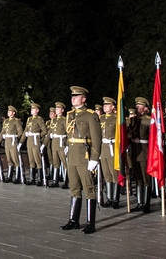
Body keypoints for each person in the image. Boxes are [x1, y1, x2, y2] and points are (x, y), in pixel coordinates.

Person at [61, 86, 101, 234]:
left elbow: (97, 139)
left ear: (84, 99)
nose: (73, 98)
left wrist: (94, 158)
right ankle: (73, 220)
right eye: (72, 96)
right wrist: (66, 145)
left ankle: (91, 223)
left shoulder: (91, 116)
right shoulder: (70, 115)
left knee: (89, 189)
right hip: (72, 156)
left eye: (77, 96)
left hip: (85, 156)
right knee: (74, 188)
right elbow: (68, 133)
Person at [130, 97, 152, 213]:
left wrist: (141, 141)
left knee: (145, 179)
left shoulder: (149, 120)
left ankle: (146, 204)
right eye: (137, 106)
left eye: (140, 106)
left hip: (145, 152)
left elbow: (153, 139)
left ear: (146, 108)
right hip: (135, 153)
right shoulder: (133, 121)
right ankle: (139, 202)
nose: (138, 108)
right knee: (138, 179)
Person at [19, 103, 47, 186]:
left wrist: (38, 136)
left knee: (37, 160)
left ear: (37, 110)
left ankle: (39, 179)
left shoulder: (39, 119)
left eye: (33, 109)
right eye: (31, 109)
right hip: (29, 142)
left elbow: (44, 131)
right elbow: (25, 131)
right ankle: (32, 179)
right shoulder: (29, 119)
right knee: (31, 160)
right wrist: (21, 142)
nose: (31, 110)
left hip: (35, 141)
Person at [99, 97, 120, 208]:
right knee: (106, 175)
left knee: (114, 175)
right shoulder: (100, 118)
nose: (105, 106)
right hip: (103, 149)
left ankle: (116, 199)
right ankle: (109, 198)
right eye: (104, 105)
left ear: (113, 107)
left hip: (113, 149)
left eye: (107, 105)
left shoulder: (116, 118)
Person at [0, 106, 23, 184]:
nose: (8, 112)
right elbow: (2, 132)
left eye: (10, 111)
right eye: (8, 111)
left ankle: (17, 177)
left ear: (13, 113)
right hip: (7, 142)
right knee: (9, 159)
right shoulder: (6, 121)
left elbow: (20, 132)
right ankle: (9, 176)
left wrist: (16, 136)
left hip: (13, 141)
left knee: (15, 159)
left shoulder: (16, 121)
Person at [47, 103, 69, 188]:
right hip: (54, 143)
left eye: (58, 108)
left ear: (62, 110)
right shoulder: (54, 120)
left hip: (61, 143)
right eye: (56, 108)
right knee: (55, 162)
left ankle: (66, 181)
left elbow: (68, 133)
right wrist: (45, 144)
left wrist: (67, 145)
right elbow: (49, 132)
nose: (56, 109)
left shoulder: (64, 120)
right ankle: (55, 181)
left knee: (65, 162)